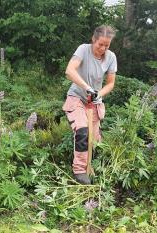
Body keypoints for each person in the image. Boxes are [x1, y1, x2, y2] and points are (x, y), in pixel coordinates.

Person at [63, 25, 117, 185]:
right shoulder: (83, 50)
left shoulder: (111, 57)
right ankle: (79, 171)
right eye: (100, 44)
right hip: (77, 98)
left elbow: (111, 83)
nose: (103, 48)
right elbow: (69, 71)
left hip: (94, 102)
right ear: (93, 39)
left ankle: (90, 166)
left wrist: (98, 94)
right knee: (82, 132)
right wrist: (87, 88)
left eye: (107, 45)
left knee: (94, 140)